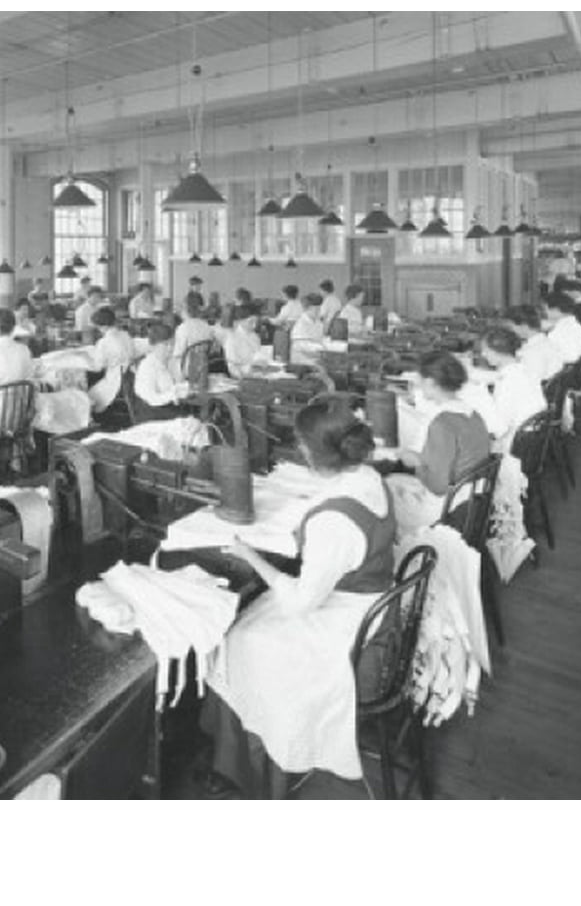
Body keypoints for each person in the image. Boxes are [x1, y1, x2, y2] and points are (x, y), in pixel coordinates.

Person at [201, 397, 396, 797]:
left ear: (309, 452)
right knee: (253, 623)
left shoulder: (333, 521)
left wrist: (250, 555)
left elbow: (298, 603)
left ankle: (252, 765)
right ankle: (235, 751)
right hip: (370, 600)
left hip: (351, 625)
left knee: (240, 637)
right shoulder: (369, 478)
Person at [388, 351, 491, 538]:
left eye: (419, 381)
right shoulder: (472, 414)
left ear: (430, 382)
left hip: (447, 507)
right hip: (471, 499)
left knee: (383, 491)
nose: (417, 386)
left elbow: (437, 486)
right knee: (394, 481)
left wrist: (416, 461)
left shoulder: (441, 423)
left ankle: (404, 555)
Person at [478, 326, 547, 452]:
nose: (483, 354)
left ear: (497, 352)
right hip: (534, 434)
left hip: (516, 443)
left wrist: (482, 400)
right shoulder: (524, 368)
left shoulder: (507, 382)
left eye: (485, 350)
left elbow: (499, 427)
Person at [86, 306, 137, 412]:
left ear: (101, 326)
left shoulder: (104, 342)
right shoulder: (125, 335)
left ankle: (99, 417)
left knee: (90, 396)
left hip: (116, 379)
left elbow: (98, 367)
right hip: (131, 375)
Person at [132, 322, 188, 420]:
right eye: (165, 344)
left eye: (172, 344)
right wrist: (173, 395)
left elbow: (176, 383)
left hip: (167, 406)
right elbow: (152, 399)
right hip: (151, 412)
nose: (170, 348)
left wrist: (184, 388)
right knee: (190, 423)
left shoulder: (172, 361)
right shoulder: (147, 366)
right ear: (153, 346)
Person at [505, 305, 564, 383]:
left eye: (511, 327)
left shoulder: (532, 352)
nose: (510, 330)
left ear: (524, 326)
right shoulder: (547, 343)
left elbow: (530, 381)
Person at [543, 291, 581, 365]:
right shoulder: (575, 325)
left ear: (555, 310)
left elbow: (571, 357)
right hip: (573, 369)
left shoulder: (558, 332)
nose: (545, 312)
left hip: (561, 371)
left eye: (545, 309)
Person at [172, 299, 215, 375]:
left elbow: (178, 353)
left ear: (185, 312)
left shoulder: (183, 328)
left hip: (187, 367)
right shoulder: (207, 326)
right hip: (204, 366)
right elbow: (211, 350)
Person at [224, 304, 263, 379]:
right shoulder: (232, 338)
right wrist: (248, 373)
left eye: (256, 322)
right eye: (251, 322)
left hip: (257, 374)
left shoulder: (255, 337)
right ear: (240, 321)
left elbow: (258, 357)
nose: (254, 326)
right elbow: (232, 367)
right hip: (242, 377)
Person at [289, 294, 325, 366]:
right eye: (315, 309)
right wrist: (320, 348)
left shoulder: (319, 323)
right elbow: (300, 345)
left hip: (315, 357)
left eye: (319, 309)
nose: (318, 312)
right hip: (302, 360)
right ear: (306, 309)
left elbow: (320, 339)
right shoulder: (301, 323)